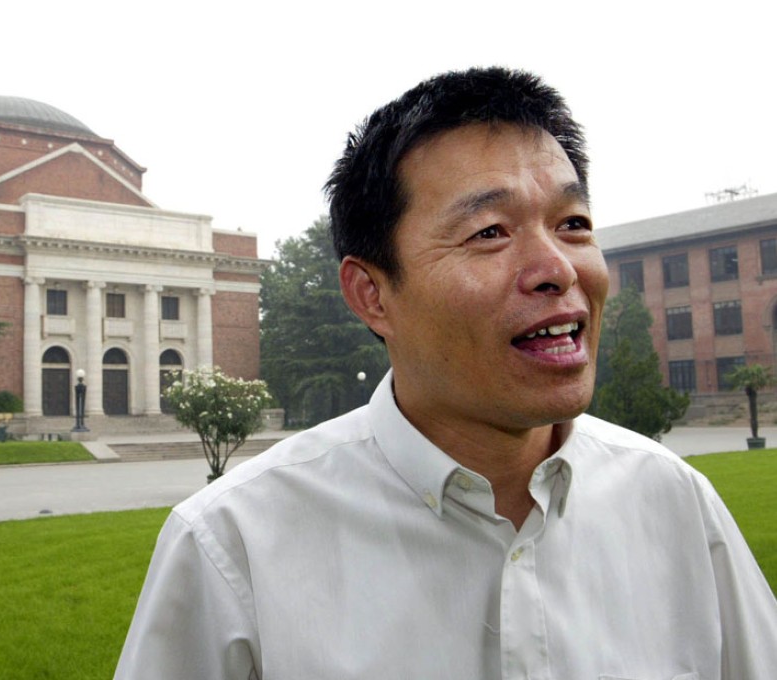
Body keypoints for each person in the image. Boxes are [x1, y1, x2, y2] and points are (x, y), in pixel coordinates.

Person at [114, 67, 777, 679]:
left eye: (573, 223)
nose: (560, 268)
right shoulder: (234, 547)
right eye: (490, 232)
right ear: (373, 295)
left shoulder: (676, 506)